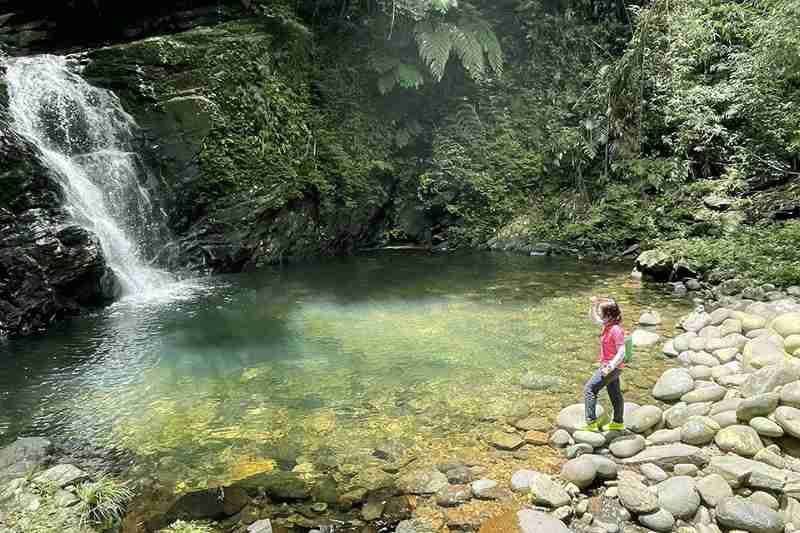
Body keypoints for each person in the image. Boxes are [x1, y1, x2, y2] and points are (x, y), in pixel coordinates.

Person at [582, 296, 626, 432]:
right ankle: (618, 422)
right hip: (613, 368)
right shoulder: (607, 325)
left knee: (590, 389)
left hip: (611, 367)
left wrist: (610, 367)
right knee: (615, 394)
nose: (599, 316)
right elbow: (594, 319)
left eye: (601, 313)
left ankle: (591, 423)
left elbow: (622, 351)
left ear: (609, 315)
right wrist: (594, 305)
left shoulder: (615, 330)